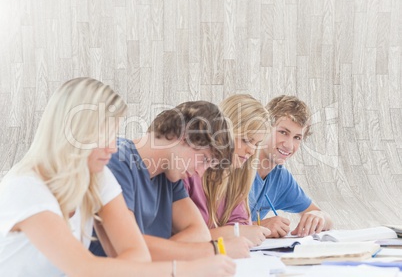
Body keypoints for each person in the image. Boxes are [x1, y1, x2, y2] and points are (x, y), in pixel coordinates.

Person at [0, 77, 236, 277]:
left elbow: (138, 256)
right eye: (105, 136)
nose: (112, 147)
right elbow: (86, 268)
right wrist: (185, 268)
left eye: (114, 136)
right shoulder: (26, 187)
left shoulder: (97, 178)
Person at [90, 100, 251, 261]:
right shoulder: (115, 160)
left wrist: (160, 253)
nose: (200, 173)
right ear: (184, 136)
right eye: (204, 159)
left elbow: (200, 232)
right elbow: (126, 249)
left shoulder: (170, 176)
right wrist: (216, 250)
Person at [184, 94, 272, 246]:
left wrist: (236, 232)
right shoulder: (189, 173)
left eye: (256, 144)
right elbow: (181, 239)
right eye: (245, 140)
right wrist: (233, 233)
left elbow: (243, 228)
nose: (251, 151)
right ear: (223, 132)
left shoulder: (234, 178)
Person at [249, 95, 333, 238]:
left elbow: (324, 218)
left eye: (297, 138)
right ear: (264, 129)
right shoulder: (238, 166)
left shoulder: (280, 178)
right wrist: (258, 226)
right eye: (283, 132)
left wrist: (318, 217)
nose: (289, 145)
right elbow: (210, 228)